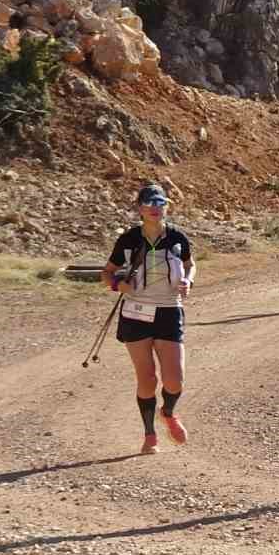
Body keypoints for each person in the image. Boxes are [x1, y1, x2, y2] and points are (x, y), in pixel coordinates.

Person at [101, 182, 196, 455]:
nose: (156, 208)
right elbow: (107, 272)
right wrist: (117, 286)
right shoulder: (129, 239)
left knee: (175, 380)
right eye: (150, 203)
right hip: (136, 314)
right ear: (140, 208)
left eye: (160, 203)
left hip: (169, 310)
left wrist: (188, 280)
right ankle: (149, 434)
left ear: (166, 207)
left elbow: (190, 264)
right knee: (147, 380)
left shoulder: (177, 237)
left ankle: (167, 412)